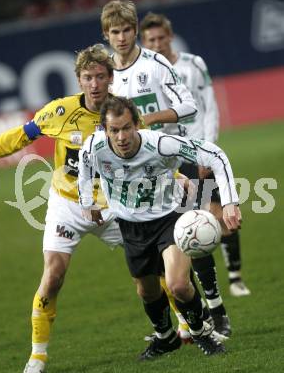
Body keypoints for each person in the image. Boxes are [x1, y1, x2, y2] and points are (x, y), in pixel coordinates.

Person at [0, 44, 125, 373]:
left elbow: (146, 150)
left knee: (149, 268)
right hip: (68, 204)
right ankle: (37, 356)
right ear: (79, 80)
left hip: (113, 205)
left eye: (101, 76)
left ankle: (186, 327)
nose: (95, 84)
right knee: (53, 275)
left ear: (110, 78)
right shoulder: (60, 112)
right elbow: (21, 135)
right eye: (88, 77)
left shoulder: (123, 113)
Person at [100, 0, 231, 340]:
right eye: (116, 32)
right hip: (137, 175)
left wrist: (151, 120)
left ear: (135, 30)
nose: (123, 37)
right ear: (106, 35)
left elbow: (188, 106)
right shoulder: (105, 77)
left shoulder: (156, 64)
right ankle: (187, 324)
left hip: (176, 160)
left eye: (128, 30)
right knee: (157, 256)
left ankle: (217, 312)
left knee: (194, 233)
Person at [78, 96, 242, 358]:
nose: (121, 137)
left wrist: (231, 202)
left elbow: (214, 154)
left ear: (137, 124)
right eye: (114, 130)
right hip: (131, 227)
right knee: (147, 290)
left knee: (177, 284)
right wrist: (87, 201)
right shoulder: (94, 147)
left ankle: (201, 332)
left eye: (126, 128)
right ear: (104, 130)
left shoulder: (161, 144)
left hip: (170, 219)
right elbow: (84, 168)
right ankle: (165, 338)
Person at [139, 12, 250, 300]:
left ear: (170, 36)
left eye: (161, 37)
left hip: (200, 150)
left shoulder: (192, 64)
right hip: (172, 158)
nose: (157, 43)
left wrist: (207, 148)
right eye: (151, 39)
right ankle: (210, 299)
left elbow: (209, 106)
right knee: (191, 224)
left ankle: (235, 276)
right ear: (144, 41)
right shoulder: (148, 75)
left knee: (220, 213)